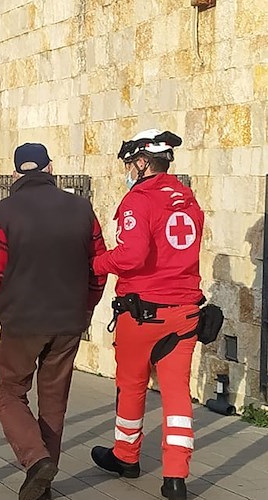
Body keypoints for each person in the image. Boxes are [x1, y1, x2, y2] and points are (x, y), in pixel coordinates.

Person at [0, 143, 107, 500]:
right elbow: (99, 266)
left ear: (16, 174)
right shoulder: (82, 209)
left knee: (9, 392)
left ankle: (35, 461)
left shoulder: (4, 213)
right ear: (50, 169)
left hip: (21, 322)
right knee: (54, 400)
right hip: (68, 321)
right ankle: (43, 482)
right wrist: (87, 306)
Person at [90, 129, 204, 500]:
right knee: (177, 395)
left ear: (141, 162)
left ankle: (126, 455)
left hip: (143, 314)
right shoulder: (187, 199)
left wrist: (96, 263)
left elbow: (132, 256)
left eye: (129, 164)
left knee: (131, 384)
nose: (127, 170)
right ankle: (175, 477)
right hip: (185, 313)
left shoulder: (139, 200)